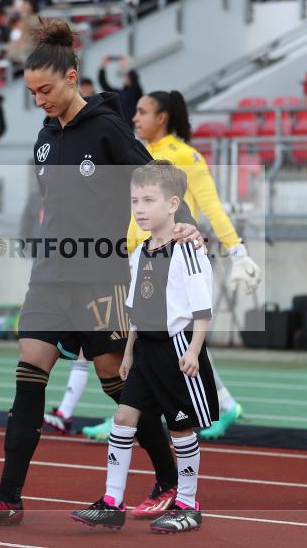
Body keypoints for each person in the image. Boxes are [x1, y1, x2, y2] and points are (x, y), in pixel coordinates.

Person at [0, 19, 202, 525]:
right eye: (32, 93)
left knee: (118, 383)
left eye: (46, 89)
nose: (39, 100)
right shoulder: (45, 138)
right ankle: (7, 496)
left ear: (72, 77)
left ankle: (168, 479)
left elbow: (155, 180)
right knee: (28, 378)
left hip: (101, 277)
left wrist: (182, 224)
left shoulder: (109, 129)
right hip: (49, 277)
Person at [60, 89, 261, 443]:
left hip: (172, 260)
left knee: (166, 337)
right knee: (143, 339)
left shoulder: (185, 156)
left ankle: (136, 410)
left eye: (142, 112)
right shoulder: (137, 153)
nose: (135, 118)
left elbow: (211, 207)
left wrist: (238, 252)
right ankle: (136, 409)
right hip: (136, 259)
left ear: (161, 117)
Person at [70, 161, 217, 533]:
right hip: (145, 351)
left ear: (172, 204)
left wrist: (193, 351)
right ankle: (112, 502)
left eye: (149, 200)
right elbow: (136, 308)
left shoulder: (187, 250)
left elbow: (202, 310)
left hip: (177, 348)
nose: (139, 209)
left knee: (180, 428)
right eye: (135, 200)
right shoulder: (141, 253)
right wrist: (130, 351)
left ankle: (188, 504)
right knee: (123, 419)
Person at [98, 56, 143, 127]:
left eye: (127, 77)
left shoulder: (135, 91)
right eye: (125, 76)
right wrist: (103, 67)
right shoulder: (119, 93)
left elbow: (134, 77)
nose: (125, 78)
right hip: (117, 125)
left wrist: (126, 66)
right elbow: (104, 84)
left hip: (128, 126)